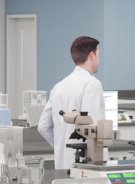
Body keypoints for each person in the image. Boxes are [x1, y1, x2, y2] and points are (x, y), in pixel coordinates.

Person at [38, 35, 105, 171]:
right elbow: (94, 129)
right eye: (98, 54)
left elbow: (43, 127)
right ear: (92, 55)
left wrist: (61, 146)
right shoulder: (92, 84)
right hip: (86, 167)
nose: (99, 59)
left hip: (62, 165)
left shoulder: (59, 86)